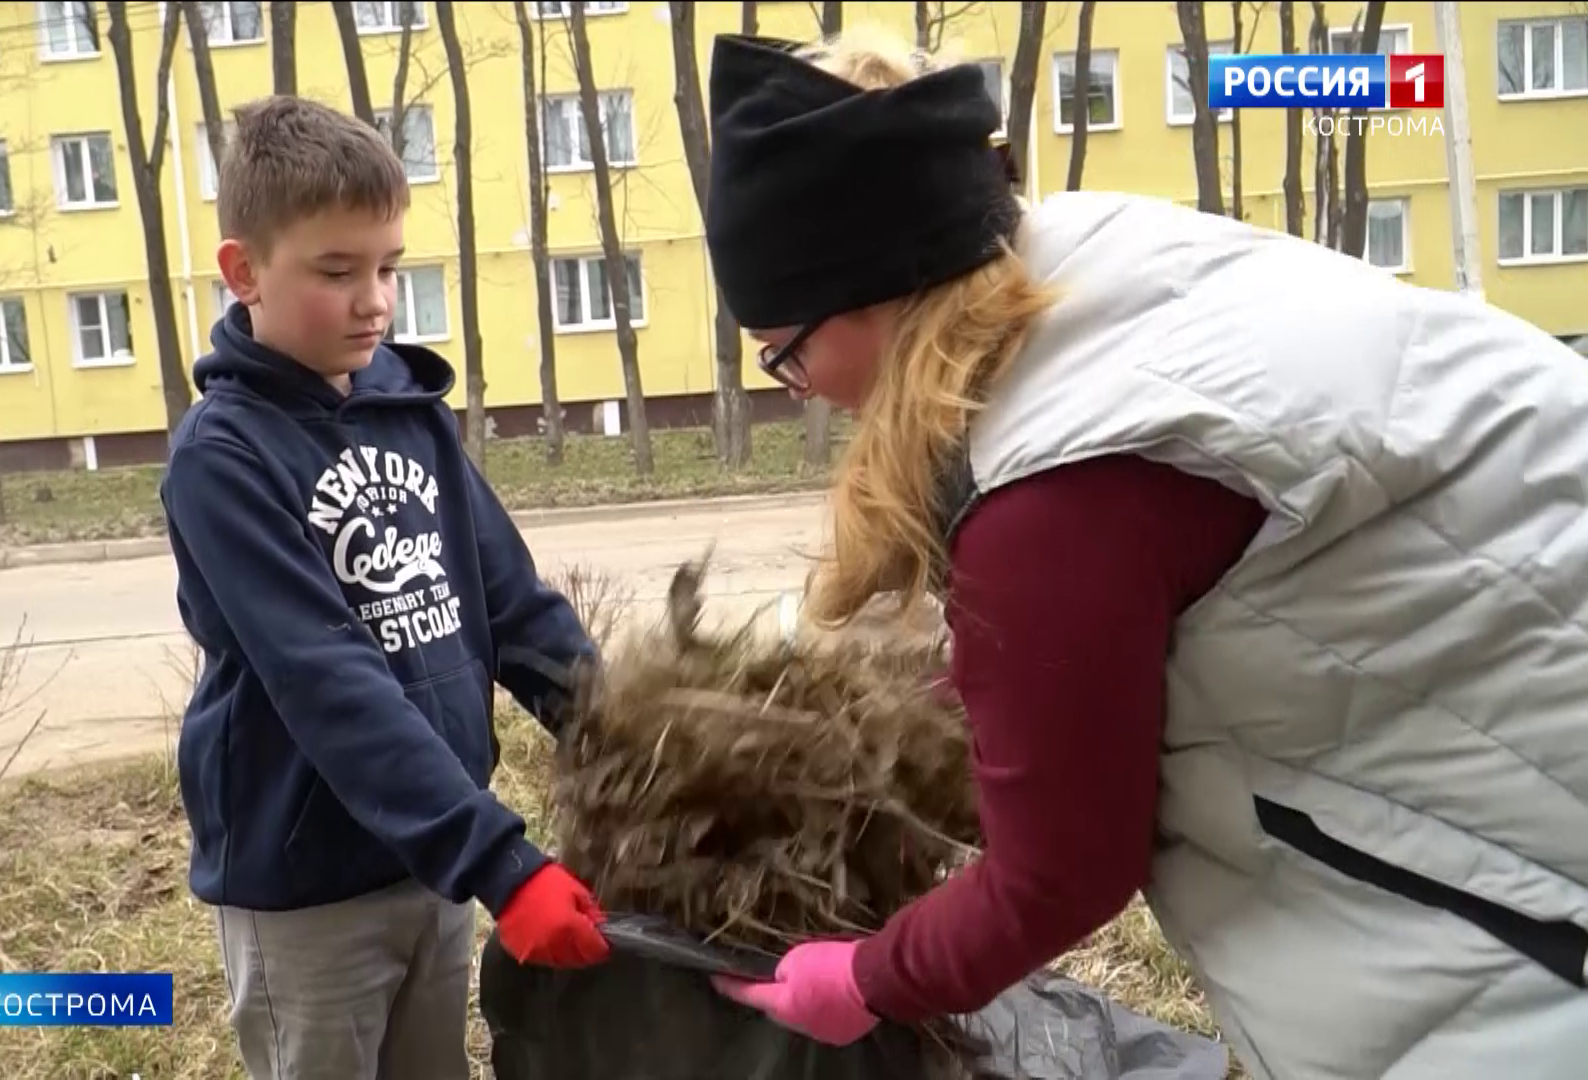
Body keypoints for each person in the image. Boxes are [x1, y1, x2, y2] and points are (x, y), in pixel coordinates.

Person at [699, 28, 1588, 1080]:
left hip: (1540, 867)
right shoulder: (1076, 264)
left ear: (871, 290)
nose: (802, 389)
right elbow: (1096, 635)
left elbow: (1061, 874)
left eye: (786, 356)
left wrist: (866, 981)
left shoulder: (1053, 488)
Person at [158, 95, 611, 1080]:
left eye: (389, 268)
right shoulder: (222, 459)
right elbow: (327, 677)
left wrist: (634, 733)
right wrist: (502, 862)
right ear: (245, 273)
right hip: (309, 891)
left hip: (431, 865)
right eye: (337, 271)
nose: (374, 300)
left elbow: (515, 606)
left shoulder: (411, 415)